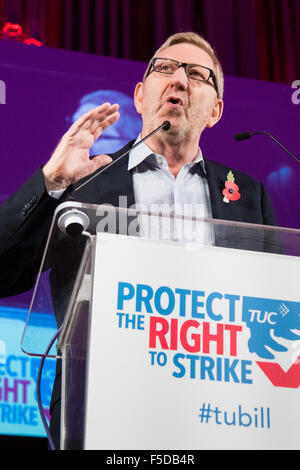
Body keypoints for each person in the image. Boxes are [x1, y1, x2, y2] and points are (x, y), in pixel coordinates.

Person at [0, 32, 277, 449]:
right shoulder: (85, 179)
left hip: (221, 419)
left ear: (216, 111)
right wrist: (51, 181)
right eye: (164, 68)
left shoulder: (249, 197)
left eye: (198, 75)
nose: (179, 80)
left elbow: (278, 311)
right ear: (140, 95)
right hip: (101, 417)